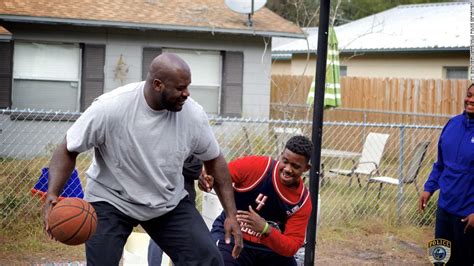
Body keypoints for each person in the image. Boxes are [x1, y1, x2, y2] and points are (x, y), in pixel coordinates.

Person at [42, 53, 242, 265]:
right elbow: (67, 148)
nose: (187, 93)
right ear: (158, 84)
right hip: (112, 198)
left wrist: (231, 214)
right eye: (180, 88)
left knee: (208, 260)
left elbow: (215, 160)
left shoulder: (192, 114)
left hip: (165, 200)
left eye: (188, 86)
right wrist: (52, 194)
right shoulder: (111, 108)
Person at [200, 135, 313, 266]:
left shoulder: (302, 201)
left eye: (295, 166)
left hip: (269, 247)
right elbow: (220, 175)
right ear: (281, 155)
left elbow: (292, 246)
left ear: (306, 168)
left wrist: (265, 229)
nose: (288, 169)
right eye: (285, 161)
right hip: (233, 234)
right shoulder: (259, 166)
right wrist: (208, 180)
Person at [419, 83, 474, 265]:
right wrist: (429, 188)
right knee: (439, 258)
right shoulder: (452, 124)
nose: (470, 100)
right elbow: (441, 164)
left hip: (468, 215)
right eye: (469, 95)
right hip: (444, 208)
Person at [148, 155, 203, 264]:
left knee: (182, 242)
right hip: (162, 199)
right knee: (157, 240)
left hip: (184, 201)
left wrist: (173, 166)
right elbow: (156, 165)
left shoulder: (189, 147)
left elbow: (196, 169)